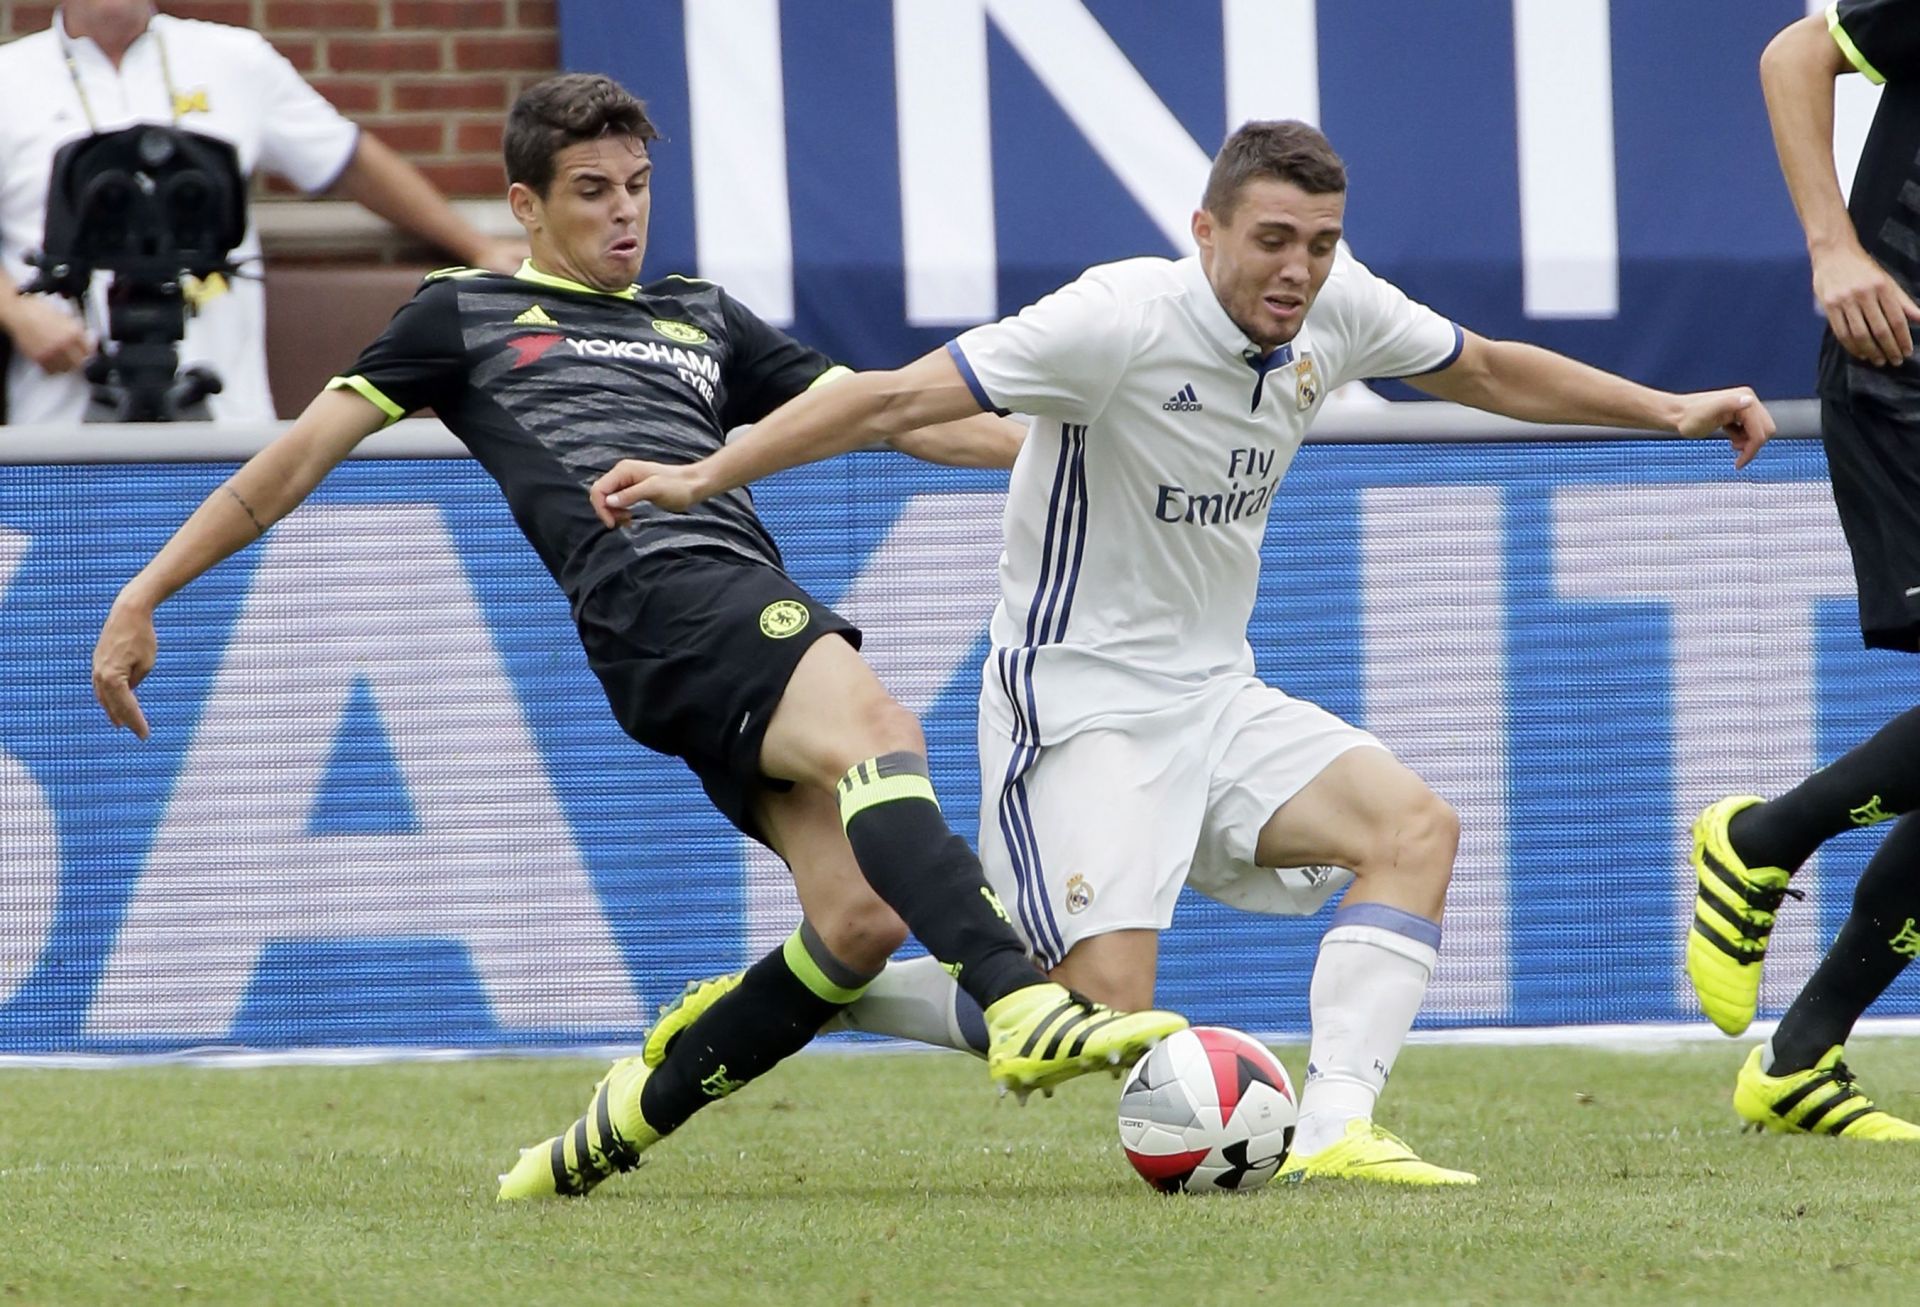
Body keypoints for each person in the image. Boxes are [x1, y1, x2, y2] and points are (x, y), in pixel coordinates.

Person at [591, 118, 1777, 1187]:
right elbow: (893, 399)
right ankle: (824, 998)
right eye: (1272, 239)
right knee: (1100, 1010)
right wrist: (706, 472)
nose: (1298, 269)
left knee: (1414, 829)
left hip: (1215, 691)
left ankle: (1337, 1130)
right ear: (1204, 230)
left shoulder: (1337, 303)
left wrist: (1667, 407)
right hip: (1077, 701)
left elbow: (1484, 368)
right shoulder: (1112, 320)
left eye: (1318, 242)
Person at [89, 71, 1186, 1200]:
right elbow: (291, 464)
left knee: (857, 919)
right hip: (660, 599)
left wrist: (1079, 461)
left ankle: (601, 1137)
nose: (625, 212)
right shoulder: (461, 313)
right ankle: (1017, 997)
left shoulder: (698, 313)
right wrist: (145, 592)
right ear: (526, 206)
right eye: (592, 191)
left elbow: (887, 411)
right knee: (878, 725)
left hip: (723, 614)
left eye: (639, 186)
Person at [1682, 0, 1920, 1142]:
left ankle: (1800, 1058)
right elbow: (1796, 52)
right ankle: (1762, 838)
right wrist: (1835, 246)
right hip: (1902, 371)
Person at [0, 0, 525, 423]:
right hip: (60, 416)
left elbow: (347, 159)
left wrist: (475, 248)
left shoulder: (233, 58)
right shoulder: (11, 76)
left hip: (224, 411)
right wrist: (17, 313)